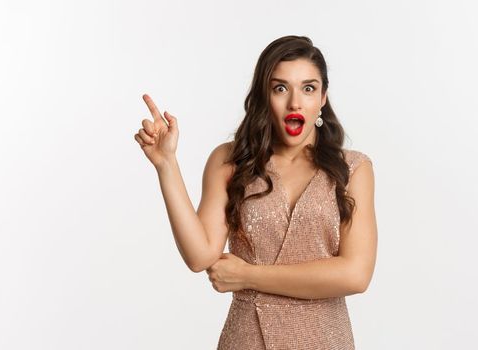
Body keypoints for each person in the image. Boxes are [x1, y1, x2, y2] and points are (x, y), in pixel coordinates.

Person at [133, 35, 376, 350]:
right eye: (280, 88)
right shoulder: (230, 160)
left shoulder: (353, 168)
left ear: (323, 98)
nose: (295, 102)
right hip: (248, 338)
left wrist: (249, 276)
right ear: (265, 95)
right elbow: (201, 256)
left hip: (326, 340)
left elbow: (355, 274)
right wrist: (167, 165)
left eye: (308, 88)